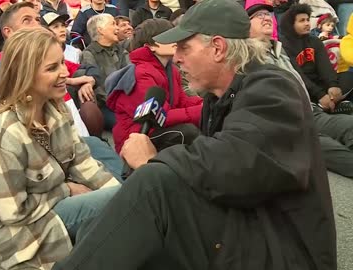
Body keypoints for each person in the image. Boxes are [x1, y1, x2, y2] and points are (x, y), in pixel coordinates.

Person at [53, 0, 336, 269]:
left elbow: (234, 164)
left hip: (281, 248)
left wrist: (150, 162)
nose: (176, 58)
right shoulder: (223, 92)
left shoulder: (273, 87)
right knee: (117, 227)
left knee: (154, 182)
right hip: (248, 222)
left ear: (217, 48)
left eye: (184, 48)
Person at [0, 27, 120, 270]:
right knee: (117, 203)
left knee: (124, 198)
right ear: (25, 74)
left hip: (51, 211)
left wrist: (126, 197)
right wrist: (67, 189)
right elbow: (12, 212)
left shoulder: (56, 108)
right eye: (52, 68)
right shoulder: (2, 133)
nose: (64, 73)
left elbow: (83, 163)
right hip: (20, 237)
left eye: (62, 62)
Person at [0, 3, 122, 180]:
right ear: (9, 32)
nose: (37, 25)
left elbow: (85, 69)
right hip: (31, 166)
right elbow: (16, 142)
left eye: (37, 19)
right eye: (27, 20)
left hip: (68, 143)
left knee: (105, 156)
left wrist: (84, 81)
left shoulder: (47, 59)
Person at [249, 3, 353, 178]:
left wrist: (330, 87)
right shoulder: (246, 55)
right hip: (289, 122)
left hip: (310, 110)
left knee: (350, 125)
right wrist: (320, 96)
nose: (266, 17)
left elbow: (319, 71)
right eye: (258, 15)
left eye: (268, 14)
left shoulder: (279, 49)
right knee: (335, 151)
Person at [106, 18, 202, 153]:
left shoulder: (170, 69)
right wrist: (201, 111)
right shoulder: (141, 74)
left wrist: (208, 104)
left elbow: (182, 101)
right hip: (136, 138)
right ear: (151, 45)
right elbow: (161, 116)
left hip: (158, 128)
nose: (175, 40)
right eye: (167, 36)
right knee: (187, 132)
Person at [280, 4, 344, 112]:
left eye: (308, 20)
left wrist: (332, 85)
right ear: (291, 24)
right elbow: (298, 76)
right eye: (301, 21)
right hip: (301, 90)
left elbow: (325, 67)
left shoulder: (315, 41)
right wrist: (319, 95)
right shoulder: (283, 46)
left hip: (321, 87)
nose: (307, 23)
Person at [82, 13, 130, 130]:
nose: (117, 28)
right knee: (126, 124)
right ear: (101, 30)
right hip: (106, 106)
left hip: (127, 100)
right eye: (113, 24)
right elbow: (97, 87)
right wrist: (118, 102)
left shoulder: (120, 49)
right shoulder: (89, 54)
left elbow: (130, 73)